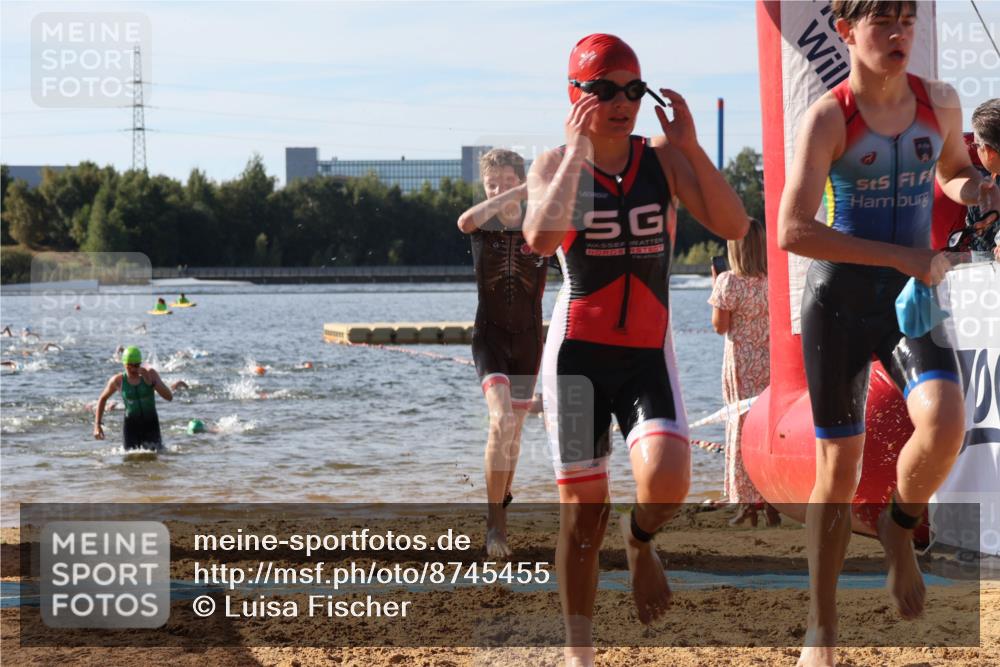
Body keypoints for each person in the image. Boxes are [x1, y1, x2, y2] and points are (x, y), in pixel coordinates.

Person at [776, 3, 1000, 666]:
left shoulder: (940, 103)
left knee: (946, 423)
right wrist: (903, 256)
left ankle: (899, 526)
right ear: (846, 31)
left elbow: (951, 171)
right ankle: (821, 626)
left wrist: (978, 189)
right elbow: (792, 229)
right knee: (839, 468)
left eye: (907, 20)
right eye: (883, 23)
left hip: (908, 300)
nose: (900, 34)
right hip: (839, 304)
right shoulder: (829, 119)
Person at [523, 33, 748, 666]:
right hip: (576, 359)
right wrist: (576, 153)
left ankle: (640, 538)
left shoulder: (662, 160)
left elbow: (734, 225)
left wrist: (692, 148)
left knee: (669, 483)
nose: (622, 102)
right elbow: (540, 239)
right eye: (604, 90)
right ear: (575, 95)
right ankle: (580, 651)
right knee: (582, 514)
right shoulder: (552, 164)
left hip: (648, 353)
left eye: (632, 89)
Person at [457, 148, 547, 558]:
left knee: (514, 432)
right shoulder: (482, 225)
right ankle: (495, 525)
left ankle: (502, 503)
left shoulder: (539, 226)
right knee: (501, 420)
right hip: (489, 339)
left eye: (509, 182)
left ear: (522, 181)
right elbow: (464, 222)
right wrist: (513, 194)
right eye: (492, 184)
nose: (500, 190)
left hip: (528, 341)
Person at [708, 218, 780, 528]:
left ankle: (746, 503)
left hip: (741, 363)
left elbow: (720, 326)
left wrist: (715, 287)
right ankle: (772, 500)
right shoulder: (774, 280)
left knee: (740, 427)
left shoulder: (728, 281)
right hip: (771, 361)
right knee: (768, 428)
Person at [94, 346, 173, 451]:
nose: (133, 369)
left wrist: (151, 383)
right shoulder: (118, 380)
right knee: (129, 458)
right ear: (124, 364)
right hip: (131, 427)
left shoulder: (151, 374)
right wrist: (97, 425)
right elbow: (102, 399)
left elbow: (169, 397)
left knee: (155, 457)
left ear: (140, 363)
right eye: (130, 366)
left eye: (136, 365)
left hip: (151, 424)